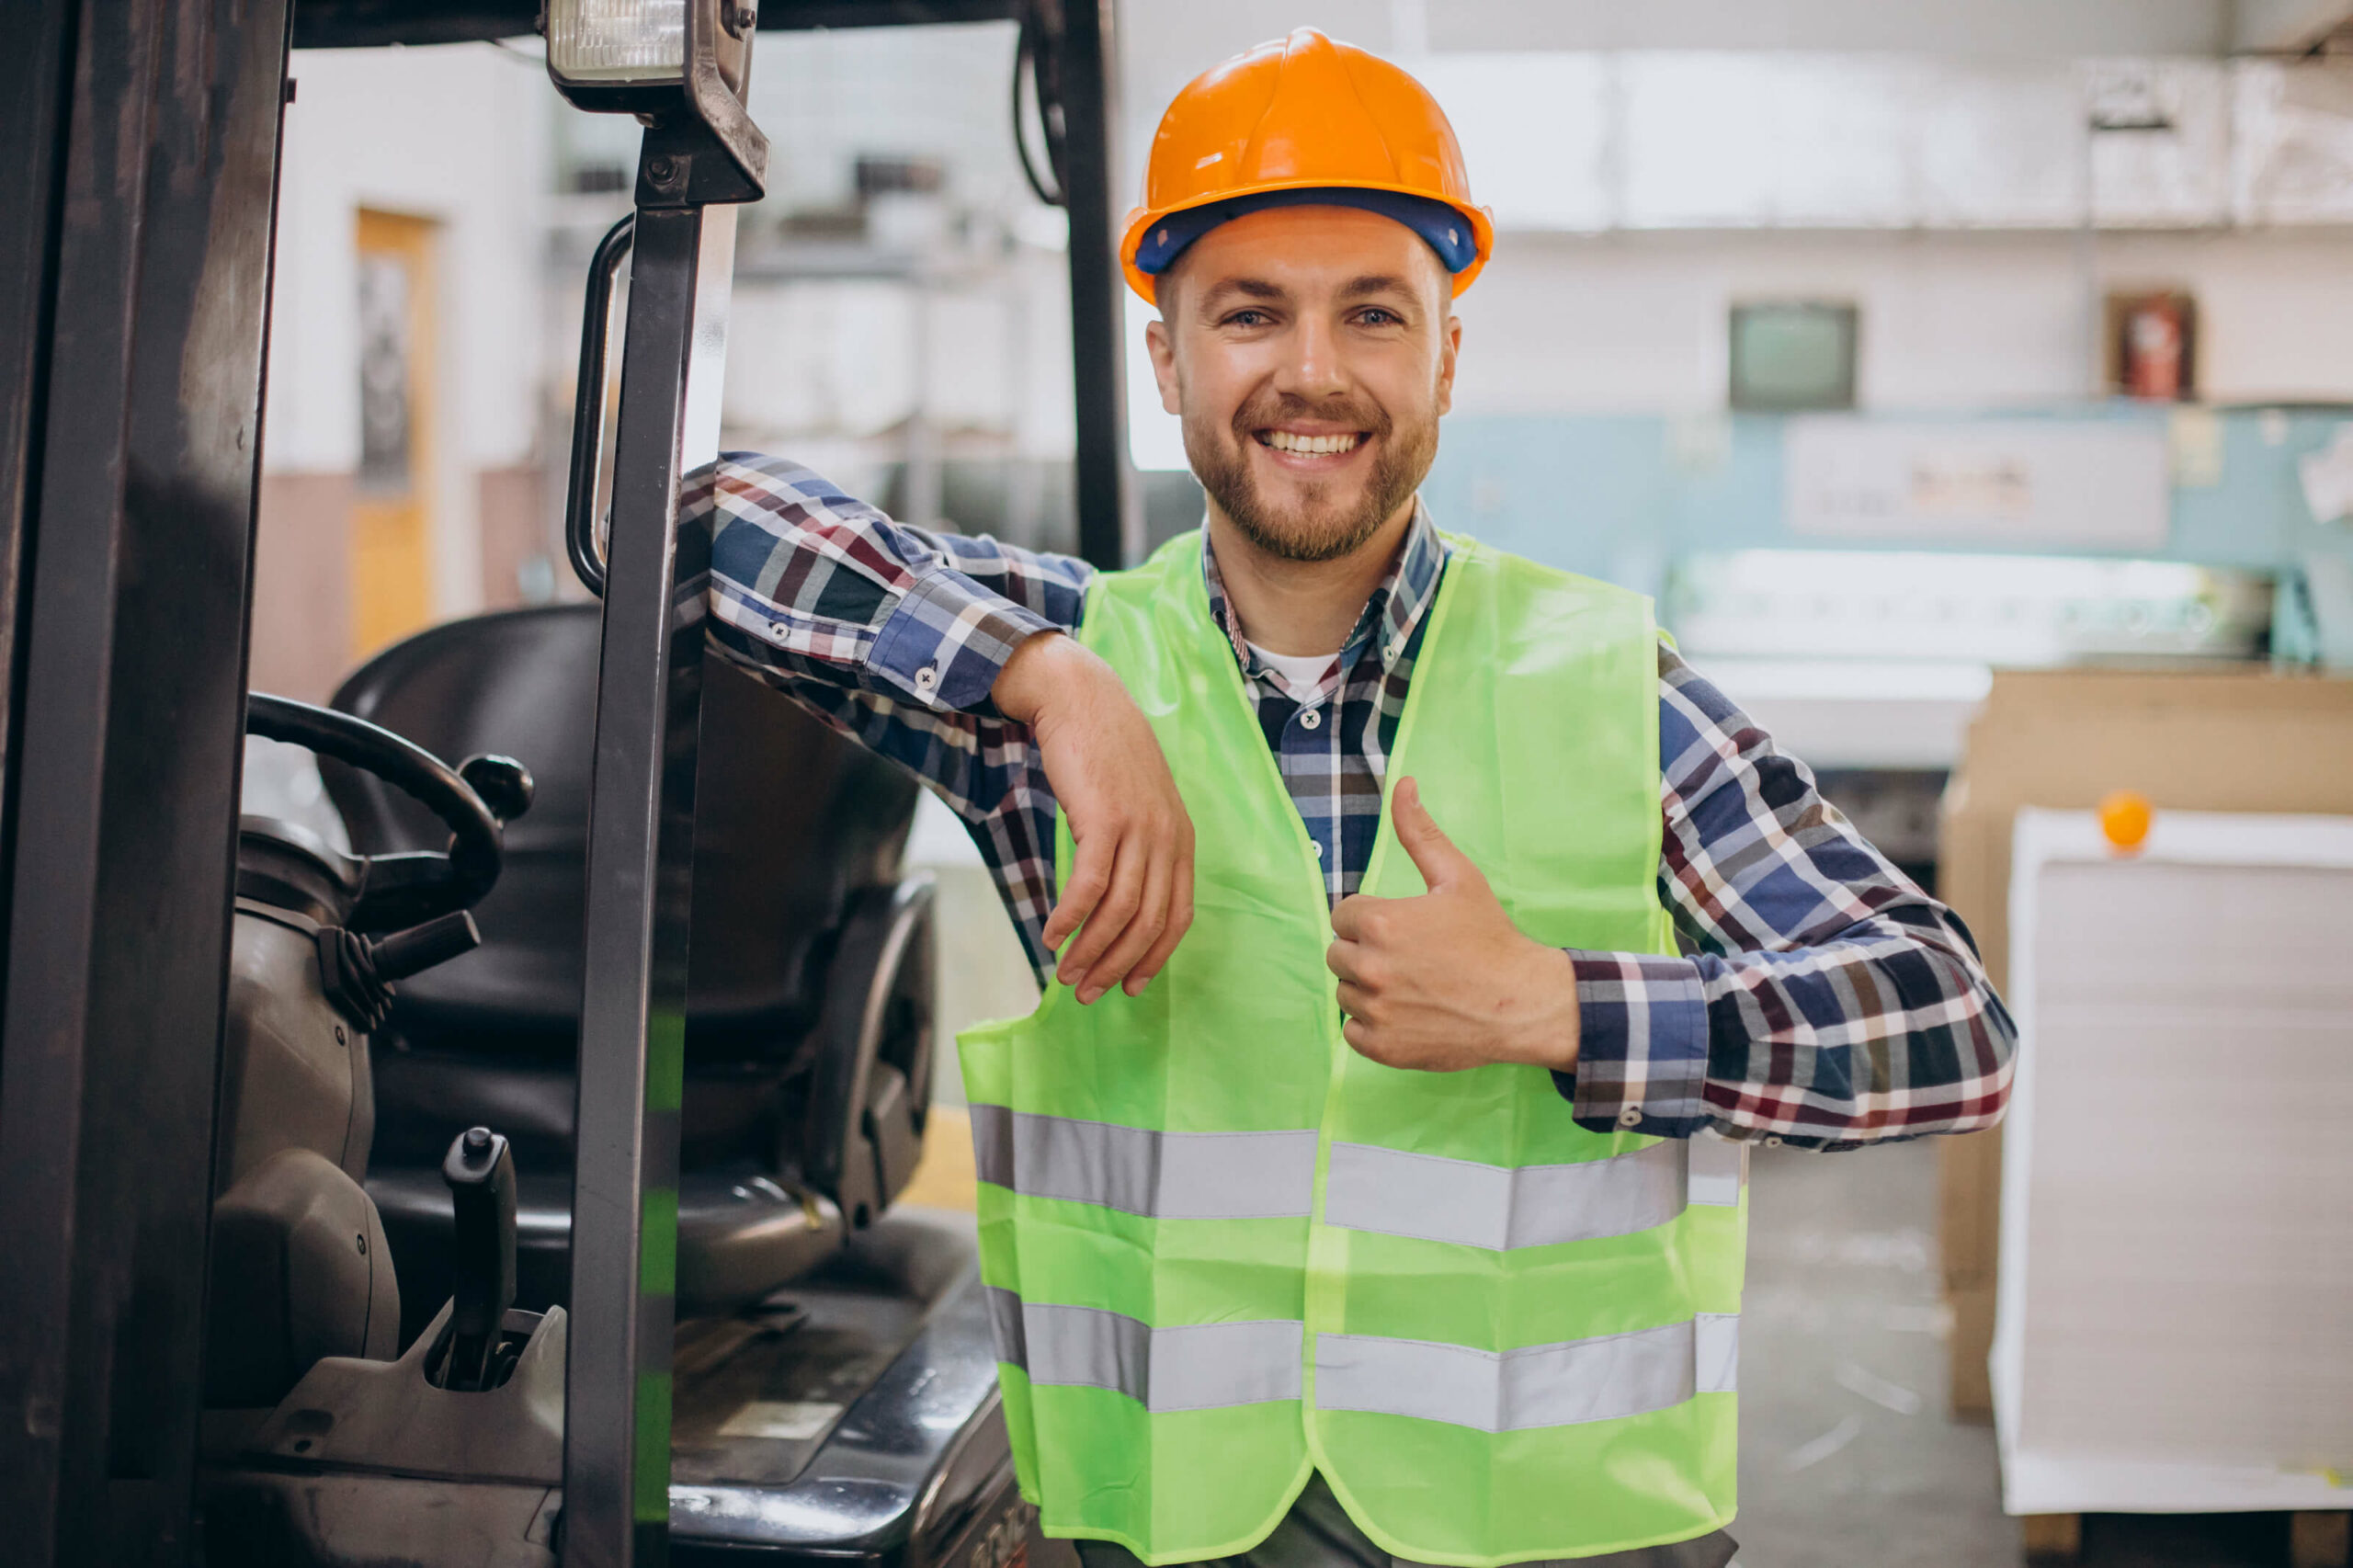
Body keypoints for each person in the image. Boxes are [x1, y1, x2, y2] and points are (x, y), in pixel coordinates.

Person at [692, 28, 2013, 1568]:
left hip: (1562, 1540)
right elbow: (682, 514)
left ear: (1445, 354)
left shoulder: (1610, 683)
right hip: (1173, 1535)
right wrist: (1040, 671)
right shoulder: (1056, 690)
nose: (1311, 373)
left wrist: (1563, 1007)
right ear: (1167, 356)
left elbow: (1947, 1025)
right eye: (1250, 314)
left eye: (1372, 315)